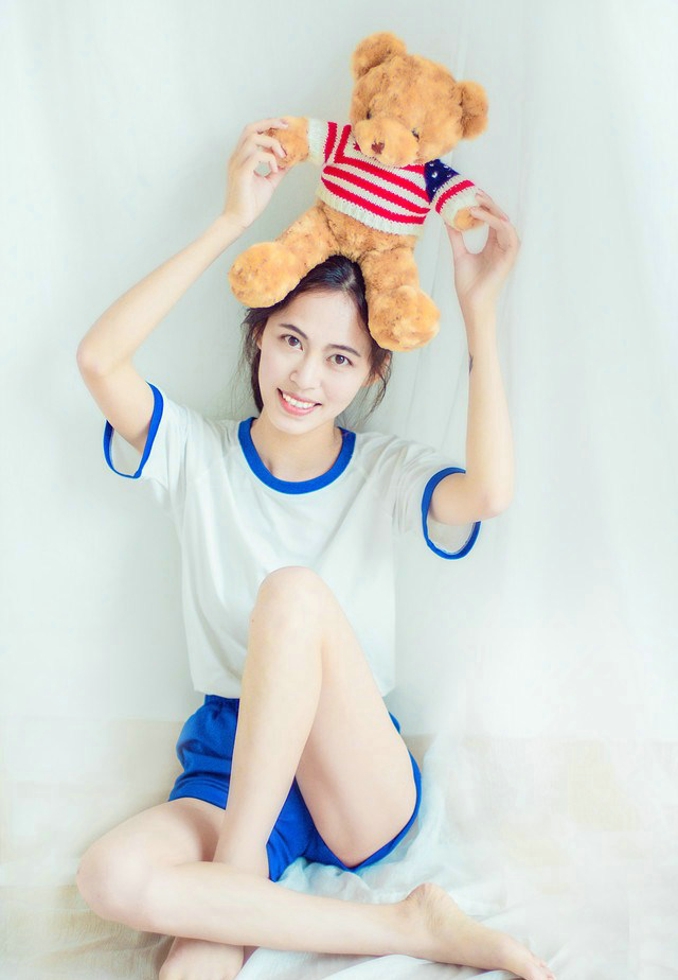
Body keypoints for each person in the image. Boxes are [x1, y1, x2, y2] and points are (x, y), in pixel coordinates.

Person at [74, 119, 555, 980]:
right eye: (292, 340)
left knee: (292, 594)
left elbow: (488, 493)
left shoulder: (383, 470)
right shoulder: (198, 457)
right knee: (109, 878)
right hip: (229, 761)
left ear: (369, 376)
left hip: (353, 771)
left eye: (339, 358)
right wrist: (232, 221)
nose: (305, 378)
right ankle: (406, 926)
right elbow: (99, 358)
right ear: (259, 333)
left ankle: (235, 876)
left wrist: (479, 312)